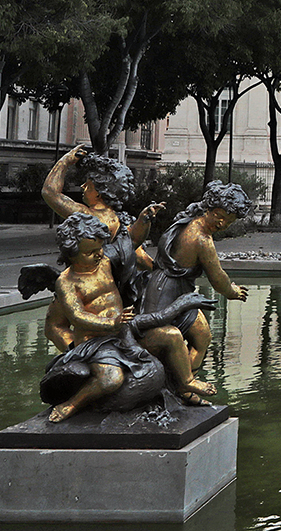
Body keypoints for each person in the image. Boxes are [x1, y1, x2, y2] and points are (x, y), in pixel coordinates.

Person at [38, 208, 175, 422]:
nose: (99, 254)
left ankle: (182, 387)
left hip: (122, 331)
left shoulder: (103, 262)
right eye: (90, 252)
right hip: (94, 342)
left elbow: (129, 242)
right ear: (71, 254)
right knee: (111, 380)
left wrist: (143, 221)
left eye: (100, 248)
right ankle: (72, 404)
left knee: (169, 339)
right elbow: (77, 316)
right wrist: (111, 322)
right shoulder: (66, 281)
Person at [132, 180, 253, 405]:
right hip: (168, 293)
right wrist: (232, 292)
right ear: (209, 207)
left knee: (202, 335)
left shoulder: (185, 220)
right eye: (219, 215)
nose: (222, 223)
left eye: (229, 220)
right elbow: (217, 278)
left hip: (172, 288)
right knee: (190, 338)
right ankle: (183, 385)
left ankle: (180, 388)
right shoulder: (201, 239)